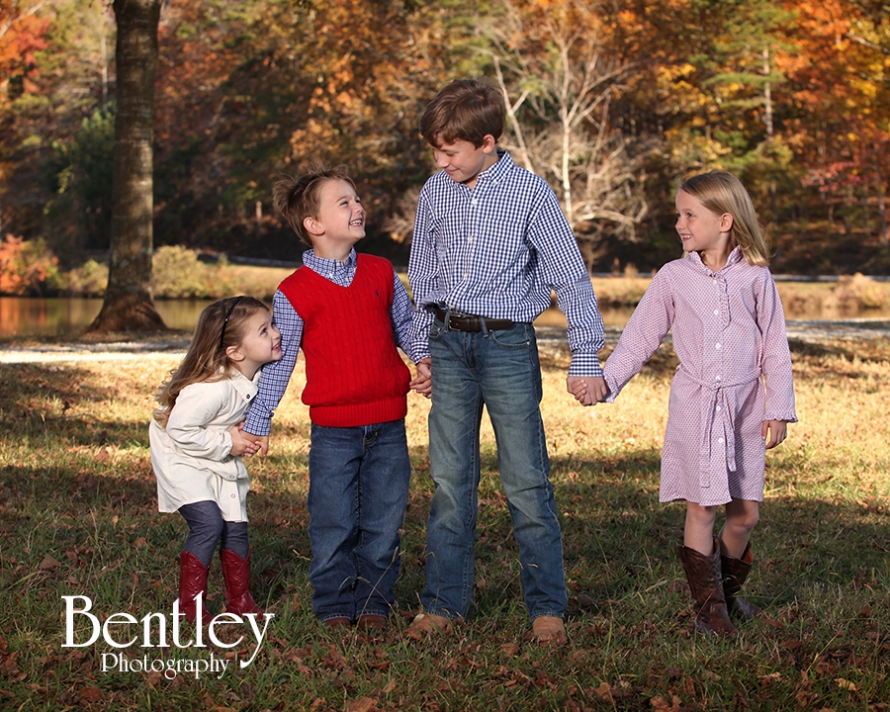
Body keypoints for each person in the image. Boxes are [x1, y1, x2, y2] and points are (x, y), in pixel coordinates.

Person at [405, 78, 608, 645]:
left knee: (525, 480)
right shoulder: (434, 192)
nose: (441, 162)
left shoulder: (529, 194)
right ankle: (445, 603)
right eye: (436, 152)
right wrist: (421, 348)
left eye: (451, 151)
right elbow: (423, 273)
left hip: (507, 347)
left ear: (487, 141)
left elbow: (569, 277)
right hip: (447, 344)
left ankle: (547, 607)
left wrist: (585, 357)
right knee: (449, 480)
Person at [574, 170, 797, 636]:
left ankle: (729, 597)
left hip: (745, 407)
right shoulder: (673, 277)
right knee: (702, 508)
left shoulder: (755, 277)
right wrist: (604, 381)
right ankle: (709, 612)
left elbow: (775, 345)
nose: (680, 223)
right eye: (679, 214)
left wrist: (778, 407)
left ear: (724, 220)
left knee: (745, 514)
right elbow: (640, 338)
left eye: (689, 214)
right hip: (696, 406)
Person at [242, 165, 429, 632]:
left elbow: (406, 325)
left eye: (357, 198)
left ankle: (374, 605)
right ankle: (333, 606)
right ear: (315, 225)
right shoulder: (294, 292)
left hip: (388, 426)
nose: (357, 206)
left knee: (384, 522)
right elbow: (280, 363)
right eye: (343, 202)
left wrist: (424, 359)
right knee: (334, 521)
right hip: (334, 432)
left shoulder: (381, 271)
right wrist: (258, 419)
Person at [150, 296, 281, 623]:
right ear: (236, 352)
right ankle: (189, 609)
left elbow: (249, 409)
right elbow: (180, 429)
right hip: (181, 454)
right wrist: (228, 441)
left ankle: (240, 601)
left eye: (273, 324)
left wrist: (250, 431)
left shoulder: (257, 374)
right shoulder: (212, 388)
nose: (276, 334)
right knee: (209, 522)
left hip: (216, 451)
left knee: (236, 524)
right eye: (264, 331)